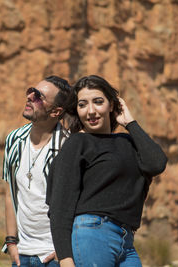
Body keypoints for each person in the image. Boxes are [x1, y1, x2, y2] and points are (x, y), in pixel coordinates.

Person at [46, 75, 168, 267]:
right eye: (83, 105)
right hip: (91, 233)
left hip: (126, 241)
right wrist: (66, 259)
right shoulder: (77, 143)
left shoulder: (128, 142)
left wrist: (130, 123)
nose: (91, 111)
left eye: (98, 102)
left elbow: (157, 164)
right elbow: (60, 207)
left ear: (112, 105)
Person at [2, 76, 71, 267]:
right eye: (31, 91)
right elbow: (10, 192)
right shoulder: (14, 139)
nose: (30, 97)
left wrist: (63, 251)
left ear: (56, 111)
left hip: (55, 256)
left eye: (39, 96)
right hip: (21, 255)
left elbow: (79, 203)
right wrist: (10, 241)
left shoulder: (69, 147)